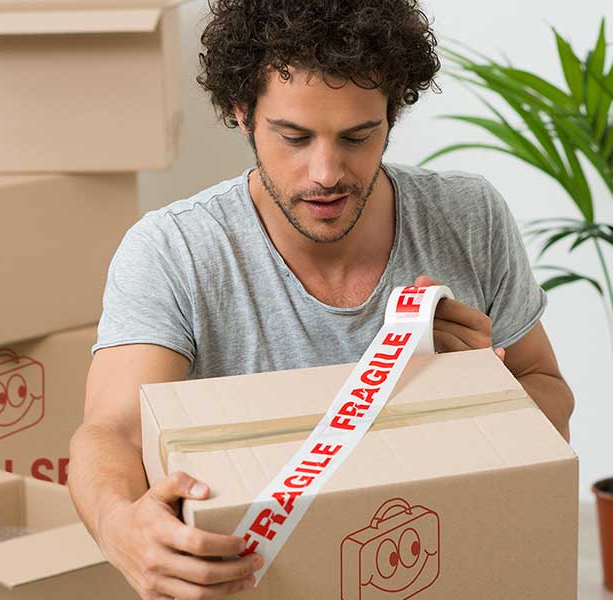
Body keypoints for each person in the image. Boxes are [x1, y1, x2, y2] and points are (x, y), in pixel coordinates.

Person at [68, 1, 575, 598]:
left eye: (359, 137)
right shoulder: (175, 249)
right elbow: (112, 434)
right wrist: (118, 524)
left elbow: (550, 393)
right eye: (294, 137)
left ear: (392, 114)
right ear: (241, 112)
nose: (327, 172)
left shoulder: (467, 217)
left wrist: (472, 390)